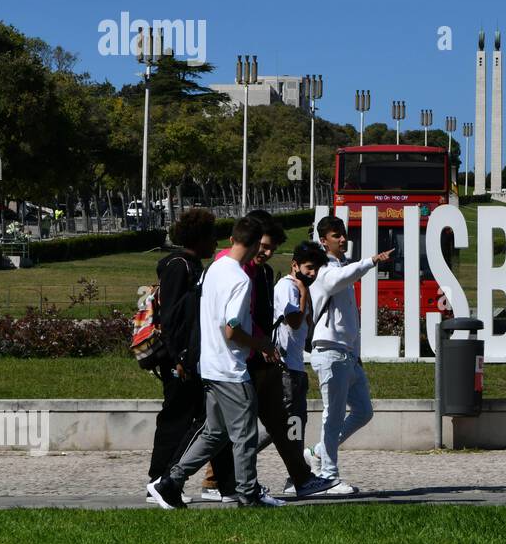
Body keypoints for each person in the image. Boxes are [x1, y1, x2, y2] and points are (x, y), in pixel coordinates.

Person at [148, 216, 283, 509]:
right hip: (231, 369)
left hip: (209, 366)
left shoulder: (214, 269)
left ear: (233, 239)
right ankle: (248, 494)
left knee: (215, 432)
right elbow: (232, 329)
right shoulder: (239, 279)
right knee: (245, 435)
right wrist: (261, 343)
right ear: (255, 244)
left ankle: (171, 482)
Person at [145, 207, 231, 503]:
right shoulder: (179, 267)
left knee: (206, 420)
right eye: (212, 236)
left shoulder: (192, 266)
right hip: (178, 360)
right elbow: (171, 319)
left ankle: (220, 483)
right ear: (199, 237)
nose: (215, 243)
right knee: (176, 418)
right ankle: (158, 480)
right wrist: (179, 359)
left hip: (192, 357)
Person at [308, 215, 395, 493]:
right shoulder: (323, 270)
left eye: (343, 234)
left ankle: (318, 452)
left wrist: (356, 354)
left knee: (364, 411)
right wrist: (370, 261)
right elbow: (337, 281)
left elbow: (349, 319)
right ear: (323, 241)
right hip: (329, 351)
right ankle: (328, 476)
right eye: (336, 236)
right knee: (332, 416)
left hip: (347, 354)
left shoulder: (343, 267)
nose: (343, 239)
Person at [269, 240, 338, 496]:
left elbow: (306, 329)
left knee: (296, 423)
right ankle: (233, 465)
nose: (312, 274)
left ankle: (298, 478)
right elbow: (294, 321)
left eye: (316, 269)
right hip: (285, 369)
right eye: (309, 268)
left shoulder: (299, 289)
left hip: (296, 368)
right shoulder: (288, 287)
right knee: (282, 425)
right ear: (294, 265)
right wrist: (304, 293)